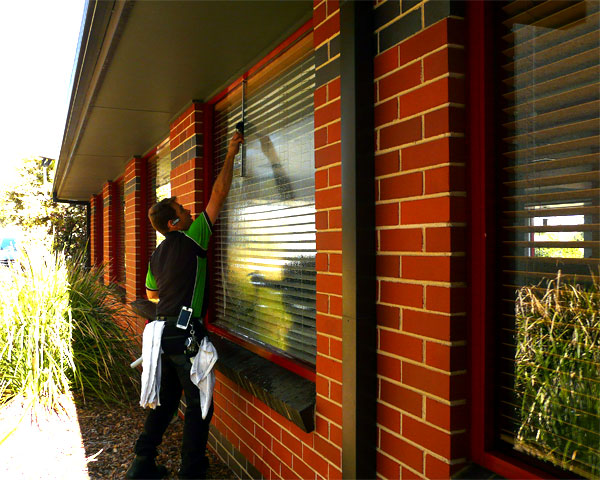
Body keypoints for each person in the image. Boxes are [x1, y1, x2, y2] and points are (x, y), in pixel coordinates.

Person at [126, 130, 243, 479]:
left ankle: (141, 465)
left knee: (163, 404)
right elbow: (219, 193)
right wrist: (233, 150)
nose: (191, 210)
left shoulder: (156, 255)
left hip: (162, 336)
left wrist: (175, 292)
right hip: (187, 335)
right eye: (184, 210)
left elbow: (149, 295)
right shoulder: (194, 238)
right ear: (175, 223)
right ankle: (192, 472)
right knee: (197, 406)